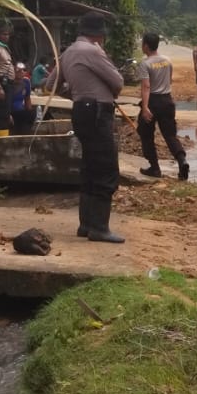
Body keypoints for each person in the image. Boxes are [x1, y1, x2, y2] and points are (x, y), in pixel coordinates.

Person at [59, 13, 125, 243]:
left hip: (80, 109)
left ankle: (85, 224)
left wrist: (76, 93)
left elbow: (50, 84)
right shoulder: (93, 51)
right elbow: (118, 82)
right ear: (98, 34)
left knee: (89, 165)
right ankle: (99, 227)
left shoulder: (67, 52)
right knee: (106, 167)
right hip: (97, 111)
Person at [137, 31, 189, 181]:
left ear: (146, 45)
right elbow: (169, 80)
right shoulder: (167, 60)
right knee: (170, 135)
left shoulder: (145, 64)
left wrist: (145, 107)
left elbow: (146, 87)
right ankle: (182, 160)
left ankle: (154, 167)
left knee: (145, 133)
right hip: (167, 100)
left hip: (153, 101)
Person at [8, 62, 35, 134]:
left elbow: (27, 99)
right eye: (18, 70)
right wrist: (7, 115)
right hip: (11, 112)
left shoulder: (26, 82)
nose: (21, 72)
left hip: (21, 112)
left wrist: (30, 112)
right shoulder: (9, 83)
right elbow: (5, 102)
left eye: (23, 70)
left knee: (32, 114)